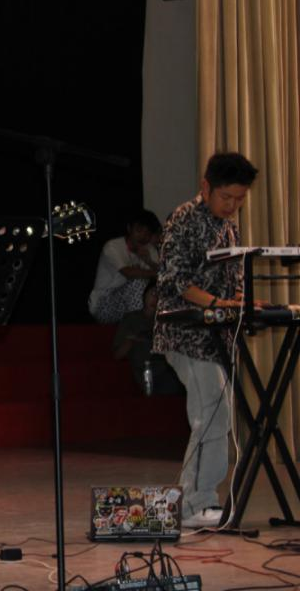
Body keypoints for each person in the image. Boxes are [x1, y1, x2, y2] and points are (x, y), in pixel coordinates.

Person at [153, 151, 258, 529]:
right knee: (210, 414)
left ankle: (197, 499)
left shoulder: (229, 227)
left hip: (217, 335)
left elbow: (234, 280)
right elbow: (177, 281)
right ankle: (196, 503)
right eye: (226, 197)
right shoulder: (184, 219)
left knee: (216, 415)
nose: (232, 205)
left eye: (239, 199)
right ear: (206, 187)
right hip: (187, 333)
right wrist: (218, 303)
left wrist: (244, 303)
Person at [89, 209, 162, 324]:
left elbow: (161, 277)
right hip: (103, 305)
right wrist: (156, 273)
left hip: (130, 305)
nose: (143, 237)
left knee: (157, 290)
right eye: (139, 231)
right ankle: (138, 328)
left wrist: (149, 262)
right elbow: (128, 273)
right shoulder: (113, 246)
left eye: (147, 233)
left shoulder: (149, 249)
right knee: (137, 283)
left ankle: (150, 327)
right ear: (129, 228)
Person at [113, 282, 180, 396]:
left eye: (160, 296)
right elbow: (117, 354)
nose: (155, 299)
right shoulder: (131, 319)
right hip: (146, 371)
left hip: (167, 368)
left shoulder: (166, 321)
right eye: (153, 294)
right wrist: (131, 340)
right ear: (144, 295)